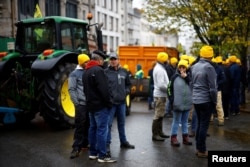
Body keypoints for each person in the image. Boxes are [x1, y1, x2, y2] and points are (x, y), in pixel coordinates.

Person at [82, 50, 116, 163]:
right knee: (102, 130)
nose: (104, 62)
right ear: (99, 60)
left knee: (93, 128)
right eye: (103, 60)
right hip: (101, 106)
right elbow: (104, 90)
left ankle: (93, 153)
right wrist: (109, 102)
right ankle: (102, 155)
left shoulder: (86, 71)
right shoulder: (99, 71)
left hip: (91, 106)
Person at [105, 52, 135, 156]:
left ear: (118, 60)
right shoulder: (106, 72)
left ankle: (123, 142)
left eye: (115, 59)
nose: (113, 61)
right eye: (111, 59)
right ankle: (107, 145)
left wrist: (125, 92)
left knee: (121, 124)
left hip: (121, 103)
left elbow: (128, 84)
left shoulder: (124, 72)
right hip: (111, 103)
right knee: (108, 124)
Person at [190, 45, 217, 158]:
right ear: (211, 56)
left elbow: (191, 83)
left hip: (196, 99)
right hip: (206, 99)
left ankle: (198, 148)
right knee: (203, 125)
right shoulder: (209, 67)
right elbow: (212, 88)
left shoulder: (194, 66)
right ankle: (202, 150)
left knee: (199, 124)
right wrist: (214, 101)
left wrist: (194, 95)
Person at [68, 54, 90, 159]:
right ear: (81, 63)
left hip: (90, 104)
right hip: (81, 104)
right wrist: (77, 103)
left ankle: (85, 144)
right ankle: (76, 148)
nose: (88, 63)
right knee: (80, 126)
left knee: (89, 125)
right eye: (86, 62)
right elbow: (71, 89)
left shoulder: (89, 72)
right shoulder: (74, 74)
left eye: (88, 61)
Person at [167, 60, 193, 147]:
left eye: (184, 67)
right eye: (180, 67)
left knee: (185, 121)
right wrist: (172, 100)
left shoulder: (190, 77)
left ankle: (185, 137)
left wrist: (186, 77)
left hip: (187, 103)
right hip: (177, 103)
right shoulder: (174, 77)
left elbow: (193, 86)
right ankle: (173, 137)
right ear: (178, 67)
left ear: (187, 68)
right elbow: (169, 89)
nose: (182, 69)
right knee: (176, 121)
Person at [151, 52, 170, 141]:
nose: (168, 61)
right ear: (163, 60)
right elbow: (161, 85)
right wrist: (170, 90)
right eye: (167, 59)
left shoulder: (160, 68)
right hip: (160, 95)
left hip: (160, 95)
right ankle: (155, 135)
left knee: (160, 114)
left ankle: (160, 132)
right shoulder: (160, 70)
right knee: (158, 115)